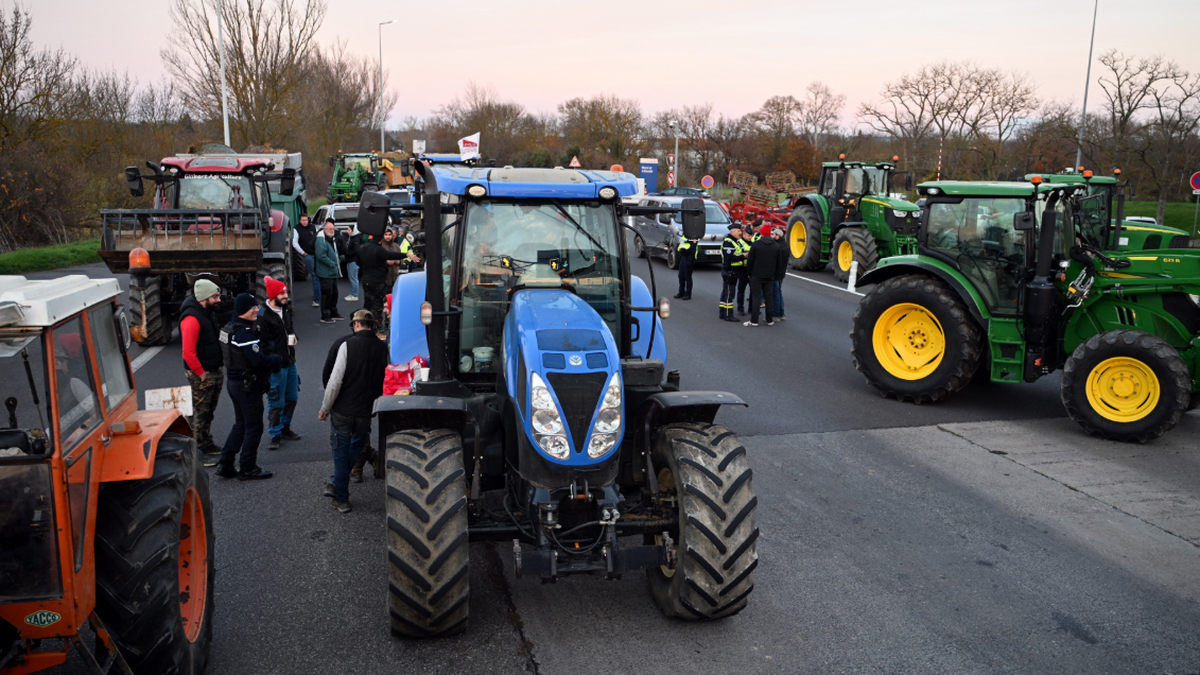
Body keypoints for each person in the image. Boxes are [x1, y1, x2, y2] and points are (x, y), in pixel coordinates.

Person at [319, 309, 388, 513]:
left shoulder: (347, 345)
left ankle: (342, 499)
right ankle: (336, 483)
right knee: (355, 448)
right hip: (366, 411)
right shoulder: (383, 347)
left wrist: (325, 407)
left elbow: (335, 381)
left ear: (356, 325)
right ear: (373, 326)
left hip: (343, 410)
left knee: (340, 454)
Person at [216, 293, 281, 480]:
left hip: (234, 382)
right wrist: (275, 359)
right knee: (254, 426)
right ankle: (248, 467)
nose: (256, 310)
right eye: (253, 308)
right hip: (246, 385)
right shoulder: (244, 333)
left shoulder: (229, 328)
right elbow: (257, 360)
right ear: (243, 310)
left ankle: (225, 463)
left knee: (241, 424)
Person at [179, 279, 225, 466]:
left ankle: (206, 442)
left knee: (208, 411)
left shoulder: (206, 313)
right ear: (204, 298)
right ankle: (196, 452)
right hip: (202, 374)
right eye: (215, 297)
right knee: (198, 414)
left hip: (212, 369)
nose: (219, 299)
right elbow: (188, 352)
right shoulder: (191, 319)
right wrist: (201, 374)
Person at [259, 277, 302, 450]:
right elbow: (262, 345)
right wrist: (273, 363)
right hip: (276, 367)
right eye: (282, 293)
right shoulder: (262, 316)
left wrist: (294, 336)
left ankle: (285, 428)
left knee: (292, 398)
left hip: (290, 362)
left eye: (286, 293)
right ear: (272, 295)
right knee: (276, 401)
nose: (286, 296)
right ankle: (275, 434)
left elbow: (289, 329)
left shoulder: (284, 309)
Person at [356, 228, 412, 338]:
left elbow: (358, 263)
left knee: (367, 304)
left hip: (366, 280)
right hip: (377, 281)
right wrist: (406, 255)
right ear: (381, 240)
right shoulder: (378, 249)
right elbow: (390, 255)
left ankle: (363, 328)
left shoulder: (363, 248)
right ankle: (374, 332)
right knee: (377, 306)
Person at [745, 225, 781, 327]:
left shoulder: (756, 245)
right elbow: (779, 262)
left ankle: (754, 320)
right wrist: (775, 274)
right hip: (770, 276)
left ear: (761, 233)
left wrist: (749, 273)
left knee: (756, 297)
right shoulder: (776, 246)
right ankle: (769, 320)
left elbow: (750, 261)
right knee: (769, 297)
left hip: (756, 275)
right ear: (769, 233)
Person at [316, 218, 345, 324]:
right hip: (325, 272)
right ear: (324, 229)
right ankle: (325, 315)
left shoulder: (330, 239)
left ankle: (333, 312)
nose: (332, 231)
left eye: (333, 229)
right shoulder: (321, 240)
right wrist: (332, 263)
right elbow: (321, 255)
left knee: (334, 293)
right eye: (330, 229)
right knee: (327, 294)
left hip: (332, 272)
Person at [292, 214, 320, 307]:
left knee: (319, 275)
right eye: (303, 220)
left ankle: (317, 293)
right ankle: (317, 299)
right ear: (299, 220)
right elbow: (295, 243)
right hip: (308, 255)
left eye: (306, 220)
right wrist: (303, 253)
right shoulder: (296, 229)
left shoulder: (313, 227)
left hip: (317, 254)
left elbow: (318, 238)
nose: (305, 222)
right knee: (315, 275)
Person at [719, 223, 744, 321]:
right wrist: (743, 256)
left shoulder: (735, 241)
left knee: (726, 292)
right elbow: (729, 258)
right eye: (738, 231)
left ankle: (722, 313)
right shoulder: (729, 243)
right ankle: (728, 315)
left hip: (733, 270)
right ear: (732, 231)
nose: (740, 232)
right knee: (729, 294)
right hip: (730, 271)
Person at [735, 222, 754, 315]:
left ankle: (751, 308)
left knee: (753, 290)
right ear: (744, 234)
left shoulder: (754, 243)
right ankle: (740, 308)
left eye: (751, 236)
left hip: (752, 270)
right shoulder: (739, 243)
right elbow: (737, 254)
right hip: (742, 269)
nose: (750, 237)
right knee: (741, 289)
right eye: (748, 235)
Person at [344, 225, 365, 303]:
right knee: (352, 278)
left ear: (353, 231)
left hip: (353, 261)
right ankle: (353, 293)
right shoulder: (353, 238)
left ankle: (354, 295)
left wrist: (348, 254)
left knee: (353, 278)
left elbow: (357, 250)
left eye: (349, 230)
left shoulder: (355, 239)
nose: (348, 231)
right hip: (351, 261)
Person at [674, 231, 696, 300]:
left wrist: (690, 260)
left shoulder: (693, 236)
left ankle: (688, 294)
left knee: (687, 276)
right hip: (683, 256)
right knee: (681, 276)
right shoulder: (685, 234)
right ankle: (681, 292)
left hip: (688, 258)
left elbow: (693, 249)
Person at [772, 226, 788, 321]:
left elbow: (776, 261)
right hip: (782, 272)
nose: (772, 236)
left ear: (778, 236)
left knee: (775, 294)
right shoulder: (786, 245)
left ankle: (775, 314)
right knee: (779, 292)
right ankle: (781, 313)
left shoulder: (777, 247)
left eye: (773, 234)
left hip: (776, 273)